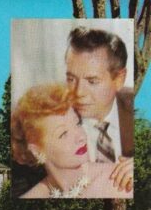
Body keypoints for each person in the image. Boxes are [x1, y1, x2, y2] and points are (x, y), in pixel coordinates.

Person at [12, 83, 132, 199]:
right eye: (63, 133)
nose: (80, 137)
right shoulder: (29, 199)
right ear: (37, 151)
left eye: (77, 123)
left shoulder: (117, 181)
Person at [65, 26, 134, 192]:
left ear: (119, 79)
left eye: (92, 81)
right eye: (71, 79)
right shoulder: (52, 119)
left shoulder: (135, 112)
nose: (78, 93)